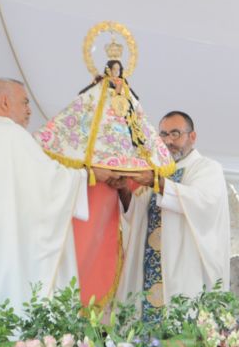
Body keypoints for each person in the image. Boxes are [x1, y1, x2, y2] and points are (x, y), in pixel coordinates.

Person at [0, 78, 115, 316]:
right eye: (25, 102)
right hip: (7, 257)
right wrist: (90, 174)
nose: (29, 110)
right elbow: (49, 184)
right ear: (5, 102)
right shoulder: (10, 135)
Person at [34, 44, 175, 309]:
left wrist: (123, 184)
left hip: (110, 222)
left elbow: (134, 200)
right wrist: (89, 173)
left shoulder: (130, 121)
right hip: (80, 219)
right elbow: (52, 172)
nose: (115, 74)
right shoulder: (75, 148)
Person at [115, 111, 230, 319]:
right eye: (163, 135)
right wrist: (123, 189)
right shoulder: (158, 171)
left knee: (182, 327)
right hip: (149, 266)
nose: (168, 141)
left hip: (185, 268)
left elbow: (202, 202)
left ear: (192, 136)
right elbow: (138, 213)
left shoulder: (207, 168)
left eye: (175, 134)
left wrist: (155, 182)